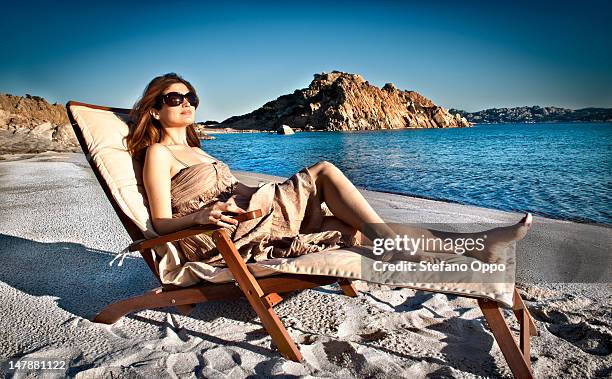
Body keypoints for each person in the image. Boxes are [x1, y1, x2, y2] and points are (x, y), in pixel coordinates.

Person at [126, 73, 532, 267]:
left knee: (354, 224)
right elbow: (160, 223)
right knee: (323, 170)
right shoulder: (160, 153)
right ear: (155, 109)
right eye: (174, 97)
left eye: (190, 96)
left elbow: (230, 187)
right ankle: (402, 251)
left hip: (252, 216)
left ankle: (476, 245)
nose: (186, 102)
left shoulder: (195, 149)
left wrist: (260, 193)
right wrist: (199, 216)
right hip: (221, 237)